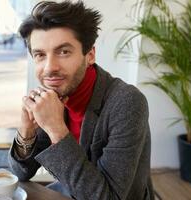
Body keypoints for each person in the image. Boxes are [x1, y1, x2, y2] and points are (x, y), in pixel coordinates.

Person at [8, 1, 154, 199]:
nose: (50, 67)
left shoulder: (127, 102)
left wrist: (56, 129)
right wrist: (26, 131)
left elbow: (109, 196)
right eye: (40, 55)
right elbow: (21, 172)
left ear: (90, 55)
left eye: (63, 52)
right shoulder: (52, 96)